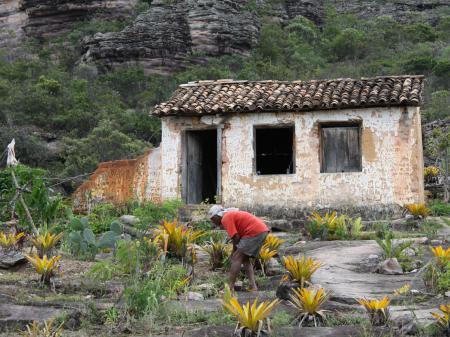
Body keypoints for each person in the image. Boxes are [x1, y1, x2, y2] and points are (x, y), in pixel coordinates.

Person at [208, 205, 269, 292]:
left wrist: (234, 252)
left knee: (236, 258)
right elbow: (237, 236)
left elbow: (236, 237)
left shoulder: (225, 218)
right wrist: (235, 250)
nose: (212, 221)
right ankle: (253, 286)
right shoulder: (229, 215)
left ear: (217, 216)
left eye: (212, 219)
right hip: (260, 230)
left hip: (254, 232)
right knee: (245, 259)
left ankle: (230, 288)